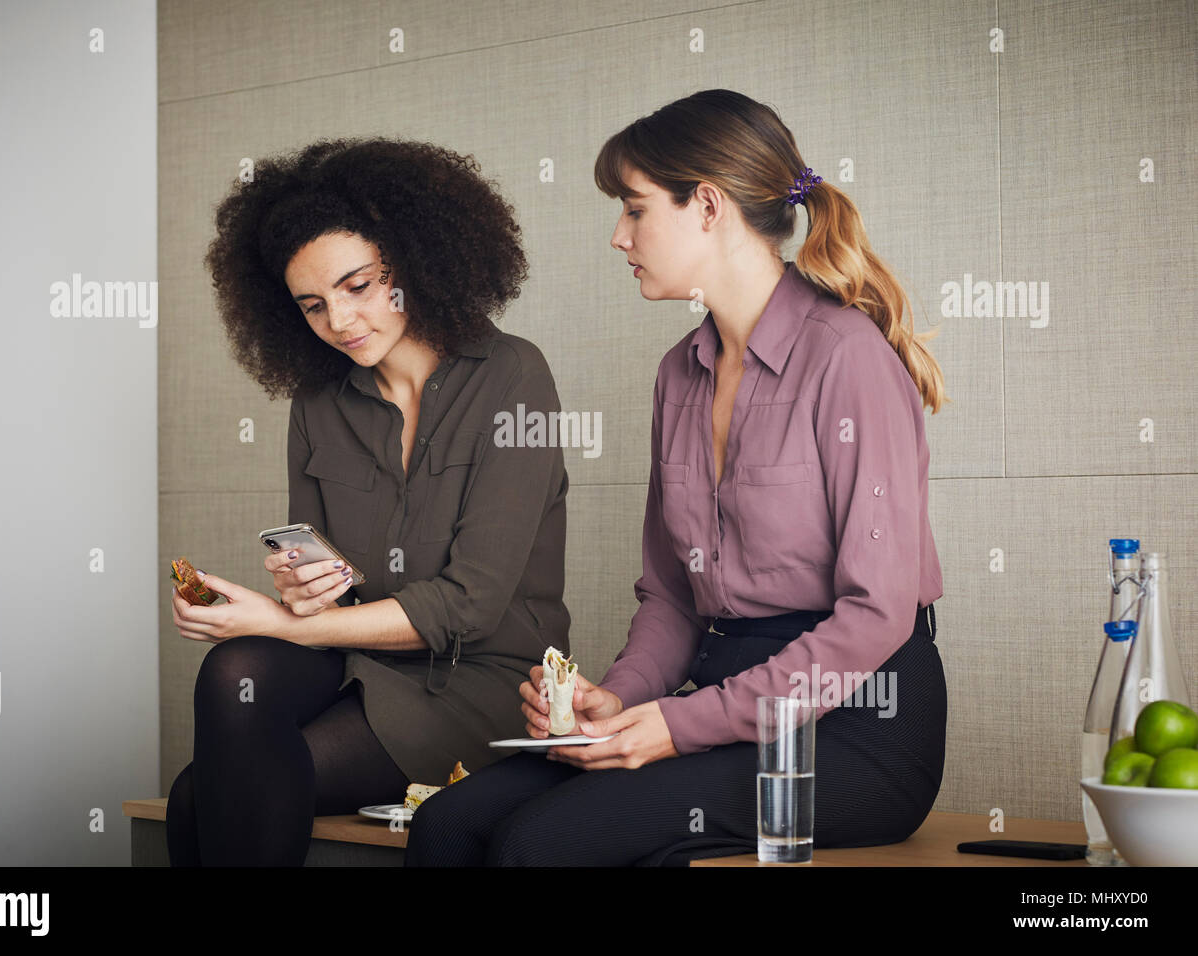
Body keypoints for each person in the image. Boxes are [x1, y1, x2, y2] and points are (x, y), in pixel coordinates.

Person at [405, 89, 950, 867]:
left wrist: (672, 727)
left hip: (856, 728)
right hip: (717, 705)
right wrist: (616, 698)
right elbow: (670, 593)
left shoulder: (847, 357)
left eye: (633, 209)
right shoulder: (679, 374)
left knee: (542, 842)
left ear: (706, 205)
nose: (618, 236)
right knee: (449, 824)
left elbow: (877, 615)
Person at [165, 137, 570, 866]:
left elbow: (471, 606)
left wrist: (281, 627)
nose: (341, 322)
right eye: (313, 305)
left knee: (203, 792)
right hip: (357, 660)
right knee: (235, 671)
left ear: (415, 261)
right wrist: (301, 593)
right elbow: (327, 589)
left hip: (481, 684)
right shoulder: (318, 400)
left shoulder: (515, 375)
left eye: (359, 286)